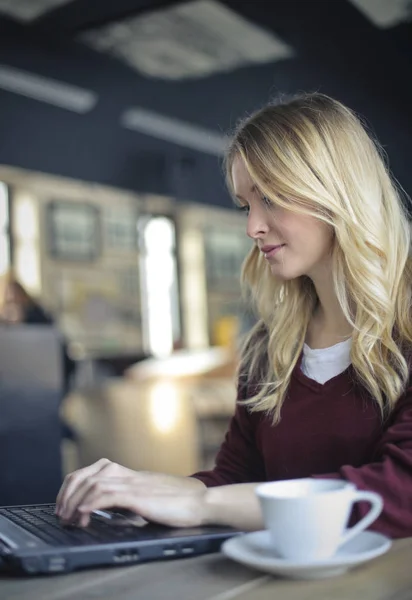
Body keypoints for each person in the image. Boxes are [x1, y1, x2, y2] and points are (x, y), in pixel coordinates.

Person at [55, 92, 412, 538]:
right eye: (247, 206)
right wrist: (145, 489)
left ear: (336, 191)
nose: (252, 228)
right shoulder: (272, 345)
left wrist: (202, 501)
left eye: (272, 198)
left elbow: (399, 495)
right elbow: (238, 482)